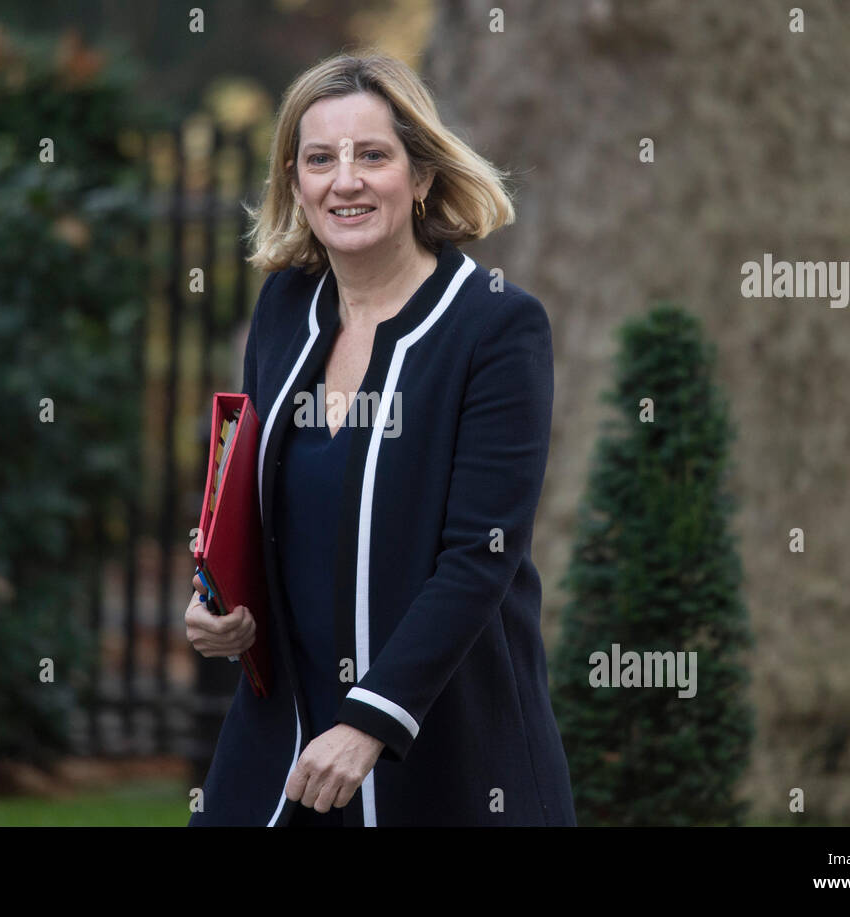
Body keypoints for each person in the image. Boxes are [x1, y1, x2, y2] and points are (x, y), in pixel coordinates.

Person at [185, 50, 576, 827]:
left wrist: (372, 718)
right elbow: (260, 512)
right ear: (294, 181)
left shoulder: (496, 326)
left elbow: (481, 554)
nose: (346, 180)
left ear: (421, 175)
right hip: (283, 739)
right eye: (320, 159)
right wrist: (223, 606)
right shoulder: (284, 309)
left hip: (446, 748)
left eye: (373, 155)